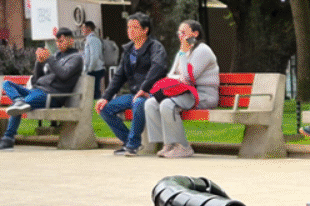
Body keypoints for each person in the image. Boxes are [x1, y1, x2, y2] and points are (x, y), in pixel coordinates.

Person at [0, 28, 83, 152]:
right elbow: (36, 80)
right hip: (37, 91)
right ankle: (18, 100)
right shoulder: (55, 57)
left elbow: (64, 74)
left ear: (71, 41)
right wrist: (39, 62)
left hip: (51, 96)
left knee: (18, 106)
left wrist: (49, 59)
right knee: (7, 84)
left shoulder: (76, 58)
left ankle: (8, 139)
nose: (58, 44)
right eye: (57, 41)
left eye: (61, 41)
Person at [143, 20, 220, 159]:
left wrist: (183, 55)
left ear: (195, 34)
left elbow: (188, 77)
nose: (180, 35)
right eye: (179, 32)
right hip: (185, 93)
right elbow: (172, 75)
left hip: (203, 95)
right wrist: (183, 55)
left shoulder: (203, 50)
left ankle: (183, 147)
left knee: (167, 104)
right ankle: (169, 144)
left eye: (184, 32)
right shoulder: (183, 51)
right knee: (150, 104)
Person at [97, 13, 168, 156]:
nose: (130, 30)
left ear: (145, 30)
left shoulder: (155, 47)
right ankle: (129, 141)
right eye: (129, 27)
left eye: (135, 27)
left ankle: (132, 145)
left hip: (152, 94)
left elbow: (158, 67)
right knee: (104, 108)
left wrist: (144, 88)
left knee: (138, 103)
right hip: (135, 94)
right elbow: (119, 75)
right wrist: (106, 97)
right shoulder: (129, 50)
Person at [79, 21, 105, 95]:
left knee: (94, 92)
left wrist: (89, 69)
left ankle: (97, 103)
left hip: (95, 70)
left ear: (88, 28)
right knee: (92, 92)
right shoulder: (89, 39)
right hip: (93, 70)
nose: (82, 30)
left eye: (83, 28)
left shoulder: (93, 39)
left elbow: (94, 56)